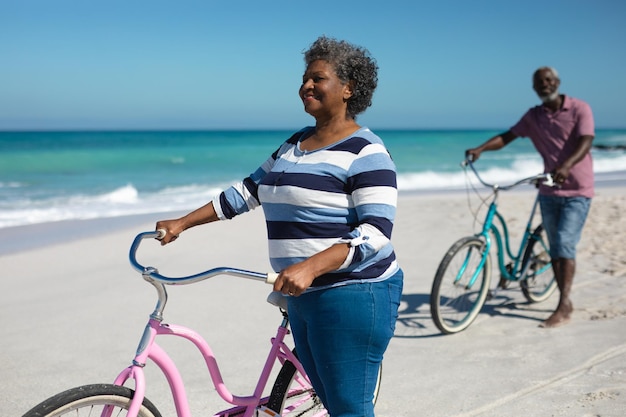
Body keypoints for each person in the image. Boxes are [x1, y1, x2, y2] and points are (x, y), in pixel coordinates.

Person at [156, 36, 403, 416]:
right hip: (299, 293)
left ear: (348, 89)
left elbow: (375, 234)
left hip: (352, 294)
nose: (306, 86)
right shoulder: (295, 144)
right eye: (304, 78)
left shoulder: (367, 152)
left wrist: (311, 265)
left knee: (349, 408)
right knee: (332, 400)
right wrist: (183, 223)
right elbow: (246, 192)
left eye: (318, 78)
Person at [466, 66, 595, 328]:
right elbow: (507, 137)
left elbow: (586, 141)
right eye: (539, 82)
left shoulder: (580, 108)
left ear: (557, 82)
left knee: (563, 244)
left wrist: (567, 166)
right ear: (535, 88)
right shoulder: (534, 116)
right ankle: (532, 274)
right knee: (556, 244)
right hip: (548, 188)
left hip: (577, 189)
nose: (545, 85)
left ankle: (564, 304)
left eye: (549, 80)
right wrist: (481, 149)